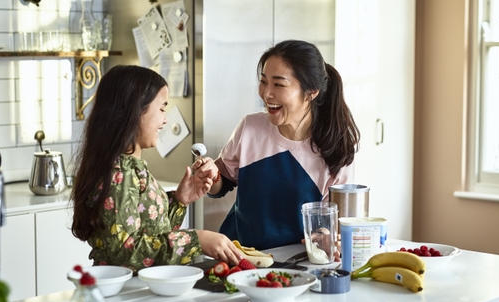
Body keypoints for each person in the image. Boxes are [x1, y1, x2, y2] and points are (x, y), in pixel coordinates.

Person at [70, 65, 242, 272]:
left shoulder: (131, 167)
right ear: (134, 111)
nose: (165, 119)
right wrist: (196, 240)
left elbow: (151, 235)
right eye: (161, 109)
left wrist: (179, 200)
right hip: (126, 293)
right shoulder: (119, 173)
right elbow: (126, 252)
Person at [202, 40, 360, 251]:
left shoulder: (335, 149)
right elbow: (223, 182)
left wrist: (325, 237)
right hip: (240, 256)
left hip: (296, 262)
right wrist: (210, 175)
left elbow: (331, 225)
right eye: (263, 81)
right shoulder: (250, 127)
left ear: (311, 91)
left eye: (278, 84)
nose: (266, 93)